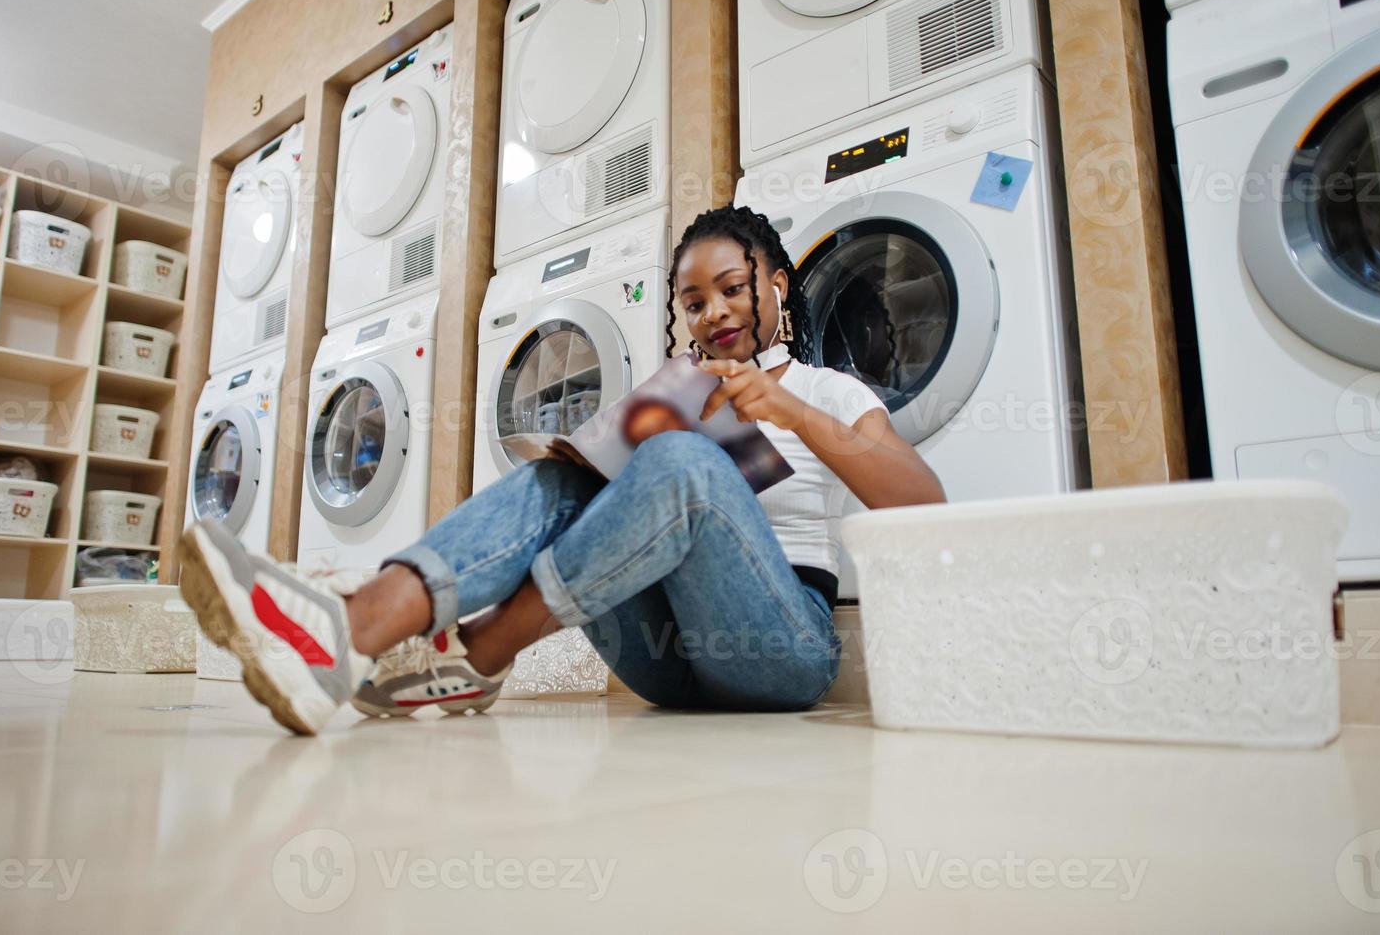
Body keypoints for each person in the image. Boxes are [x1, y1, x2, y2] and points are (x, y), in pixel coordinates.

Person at [179, 204, 946, 735]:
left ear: (775, 285)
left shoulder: (825, 390)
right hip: (662, 664)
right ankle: (351, 631)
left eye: (732, 289)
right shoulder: (676, 393)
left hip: (782, 652)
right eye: (693, 299)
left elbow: (922, 501)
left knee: (677, 461)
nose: (713, 311)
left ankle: (463, 650)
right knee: (570, 478)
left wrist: (792, 415)